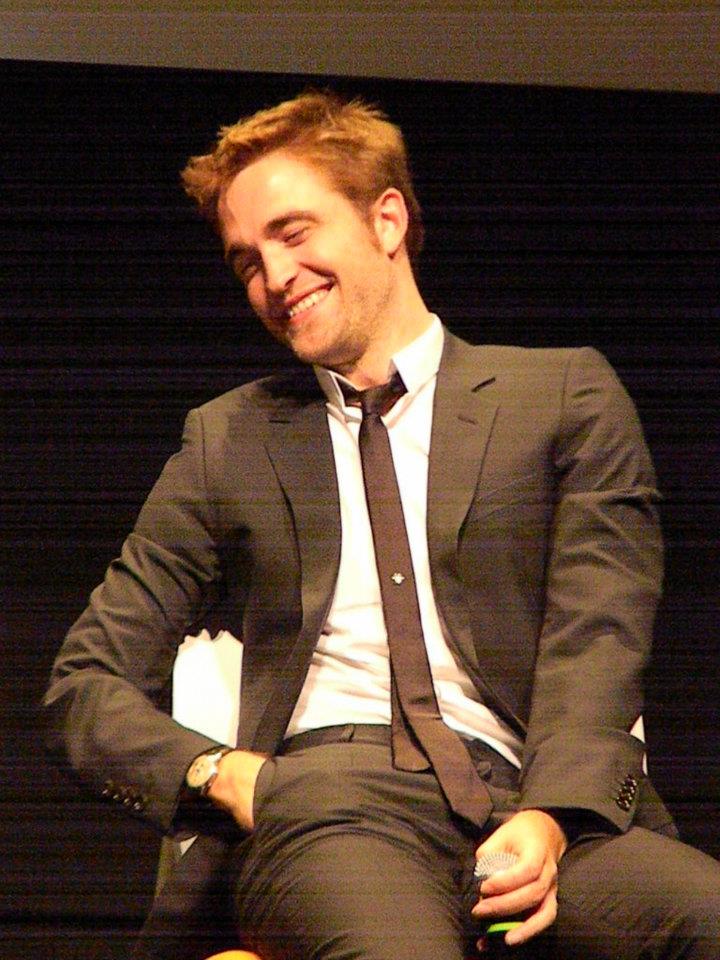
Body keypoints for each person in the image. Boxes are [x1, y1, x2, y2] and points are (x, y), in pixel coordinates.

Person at [44, 90, 720, 960]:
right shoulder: (229, 438)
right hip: (327, 808)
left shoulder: (562, 396)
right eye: (247, 261)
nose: (274, 277)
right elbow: (84, 683)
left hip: (535, 804)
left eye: (293, 233)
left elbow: (599, 639)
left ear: (387, 219)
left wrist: (551, 818)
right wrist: (222, 774)